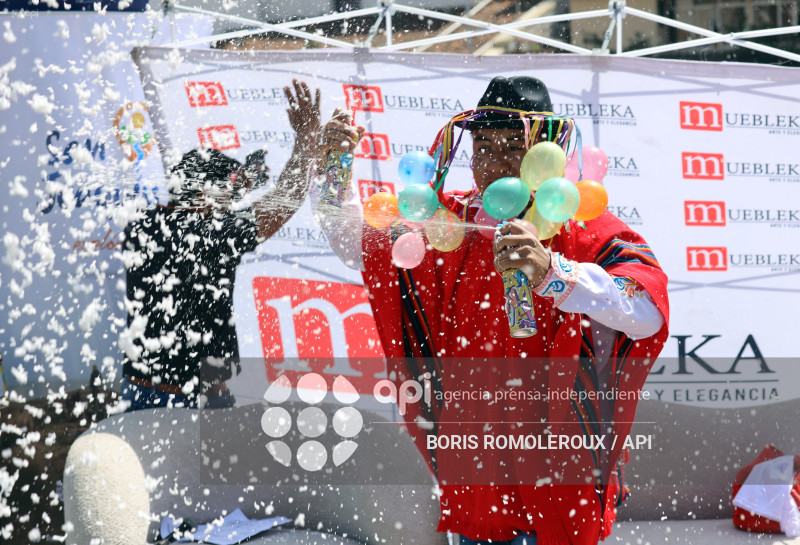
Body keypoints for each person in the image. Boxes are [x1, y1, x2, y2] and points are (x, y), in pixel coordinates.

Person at [314, 76, 669, 545]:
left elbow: (648, 311)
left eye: (512, 147)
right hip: (478, 481)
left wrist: (555, 275)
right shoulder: (450, 225)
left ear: (548, 152)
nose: (494, 161)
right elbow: (354, 243)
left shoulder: (582, 226)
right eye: (483, 146)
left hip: (560, 477)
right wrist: (335, 168)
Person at [120, 79, 321, 411]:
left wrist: (243, 180)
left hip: (143, 391)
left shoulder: (142, 224)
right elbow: (285, 201)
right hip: (191, 401)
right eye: (227, 194)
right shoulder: (213, 233)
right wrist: (306, 138)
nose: (230, 203)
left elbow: (207, 206)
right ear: (204, 191)